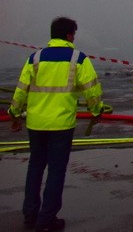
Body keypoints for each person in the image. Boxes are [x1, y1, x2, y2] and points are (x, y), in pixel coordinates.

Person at [8, 16, 107, 231]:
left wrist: (14, 114)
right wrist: (97, 110)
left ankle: (30, 214)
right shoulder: (78, 59)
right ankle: (47, 219)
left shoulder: (34, 58)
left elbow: (20, 89)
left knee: (35, 167)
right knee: (56, 170)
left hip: (36, 124)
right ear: (70, 35)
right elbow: (92, 89)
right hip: (61, 125)